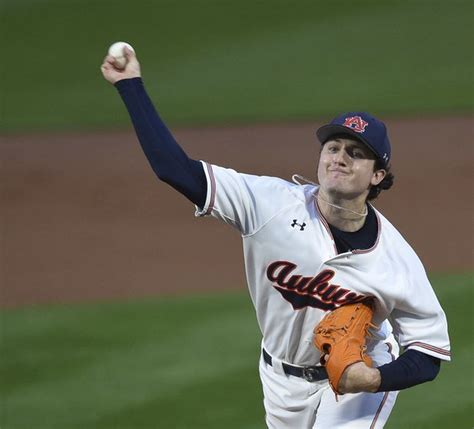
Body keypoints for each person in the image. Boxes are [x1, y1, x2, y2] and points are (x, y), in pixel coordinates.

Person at [100, 47, 451, 428]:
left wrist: (373, 378)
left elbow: (429, 351)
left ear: (377, 176)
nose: (339, 158)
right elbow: (174, 169)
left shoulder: (395, 260)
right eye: (332, 147)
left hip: (359, 374)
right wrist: (129, 85)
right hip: (280, 380)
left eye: (355, 153)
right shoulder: (270, 204)